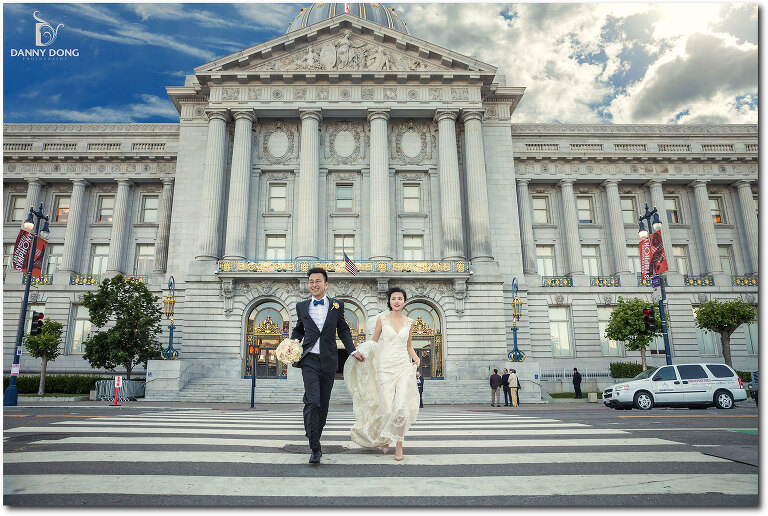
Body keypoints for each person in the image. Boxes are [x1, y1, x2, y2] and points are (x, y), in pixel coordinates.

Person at [291, 267, 364, 464]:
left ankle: (315, 434)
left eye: (317, 281)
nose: (314, 284)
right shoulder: (301, 306)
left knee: (322, 405)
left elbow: (343, 329)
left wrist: (352, 350)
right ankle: (314, 446)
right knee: (312, 401)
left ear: (325, 284)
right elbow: (299, 330)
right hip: (309, 360)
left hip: (329, 361)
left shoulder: (337, 305)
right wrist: (290, 345)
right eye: (311, 281)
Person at [345, 287, 421, 461]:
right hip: (384, 367)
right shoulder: (382, 320)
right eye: (394, 298)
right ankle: (385, 438)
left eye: (400, 298)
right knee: (386, 407)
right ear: (390, 302)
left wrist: (417, 359)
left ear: (404, 302)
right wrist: (362, 354)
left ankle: (399, 446)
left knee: (400, 407)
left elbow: (409, 346)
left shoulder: (409, 322)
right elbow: (373, 342)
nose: (397, 301)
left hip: (403, 366)